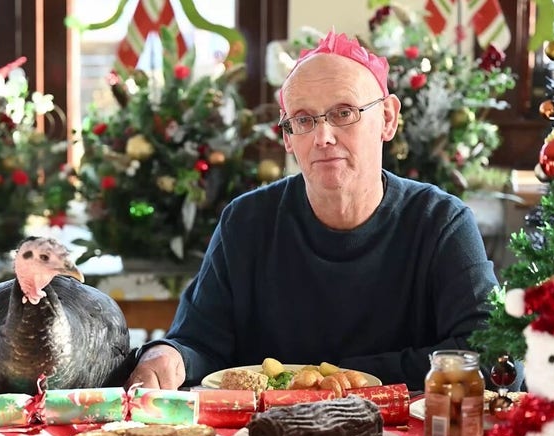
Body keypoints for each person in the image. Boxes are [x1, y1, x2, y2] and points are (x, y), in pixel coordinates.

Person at [125, 29, 499, 391]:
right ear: (288, 137)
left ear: (387, 118)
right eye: (304, 120)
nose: (323, 137)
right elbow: (196, 342)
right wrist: (166, 355)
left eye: (344, 113)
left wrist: (334, 379)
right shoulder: (246, 222)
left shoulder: (441, 223)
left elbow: (491, 356)